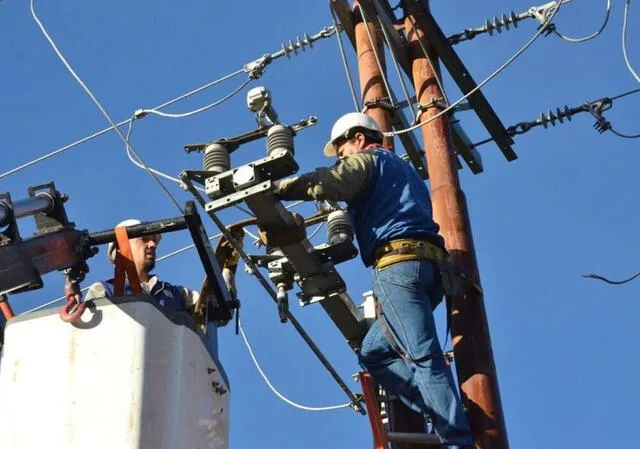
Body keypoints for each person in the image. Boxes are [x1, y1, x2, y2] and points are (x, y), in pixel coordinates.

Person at [275, 112, 473, 448]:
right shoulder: (403, 170)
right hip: (427, 270)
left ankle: (458, 439)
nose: (341, 155)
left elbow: (332, 182)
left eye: (342, 148)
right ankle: (443, 408)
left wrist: (278, 187)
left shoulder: (368, 160)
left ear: (359, 137)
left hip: (398, 269)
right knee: (374, 353)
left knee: (423, 356)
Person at [84, 219, 198, 313]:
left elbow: (206, 304)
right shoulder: (103, 290)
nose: (153, 244)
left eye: (153, 240)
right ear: (121, 248)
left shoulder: (179, 294)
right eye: (144, 239)